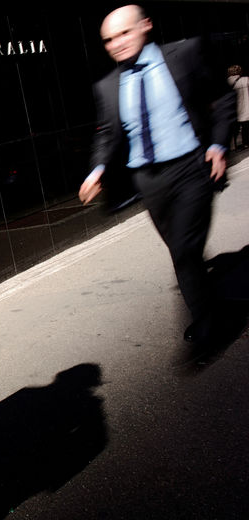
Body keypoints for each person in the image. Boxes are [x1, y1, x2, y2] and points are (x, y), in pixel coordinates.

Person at [78, 5, 236, 344]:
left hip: (192, 168)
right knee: (182, 252)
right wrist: (98, 169)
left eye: (124, 33)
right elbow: (107, 133)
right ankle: (209, 307)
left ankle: (208, 326)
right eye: (108, 39)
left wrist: (219, 146)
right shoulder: (108, 86)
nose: (116, 44)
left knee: (183, 249)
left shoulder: (185, 54)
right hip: (148, 181)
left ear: (145, 25)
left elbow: (223, 97)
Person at [227, 65, 249, 150]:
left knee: (234, 128)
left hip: (233, 109)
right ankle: (246, 143)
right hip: (246, 107)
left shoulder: (227, 82)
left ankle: (233, 145)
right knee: (245, 127)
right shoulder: (246, 80)